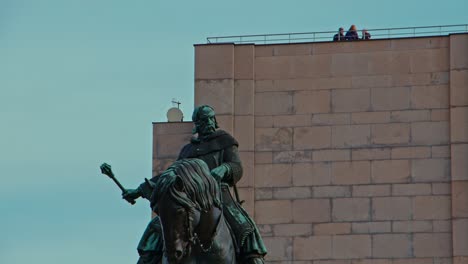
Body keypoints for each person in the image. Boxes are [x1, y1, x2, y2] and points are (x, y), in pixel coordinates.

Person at [111, 105, 267, 264]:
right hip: (191, 199)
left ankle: (254, 259)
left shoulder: (226, 142)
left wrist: (224, 169)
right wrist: (138, 190)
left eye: (211, 118)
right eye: (205, 120)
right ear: (197, 124)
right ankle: (147, 258)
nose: (209, 123)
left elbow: (237, 167)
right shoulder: (188, 150)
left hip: (219, 196)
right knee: (157, 228)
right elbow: (171, 175)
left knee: (246, 228)